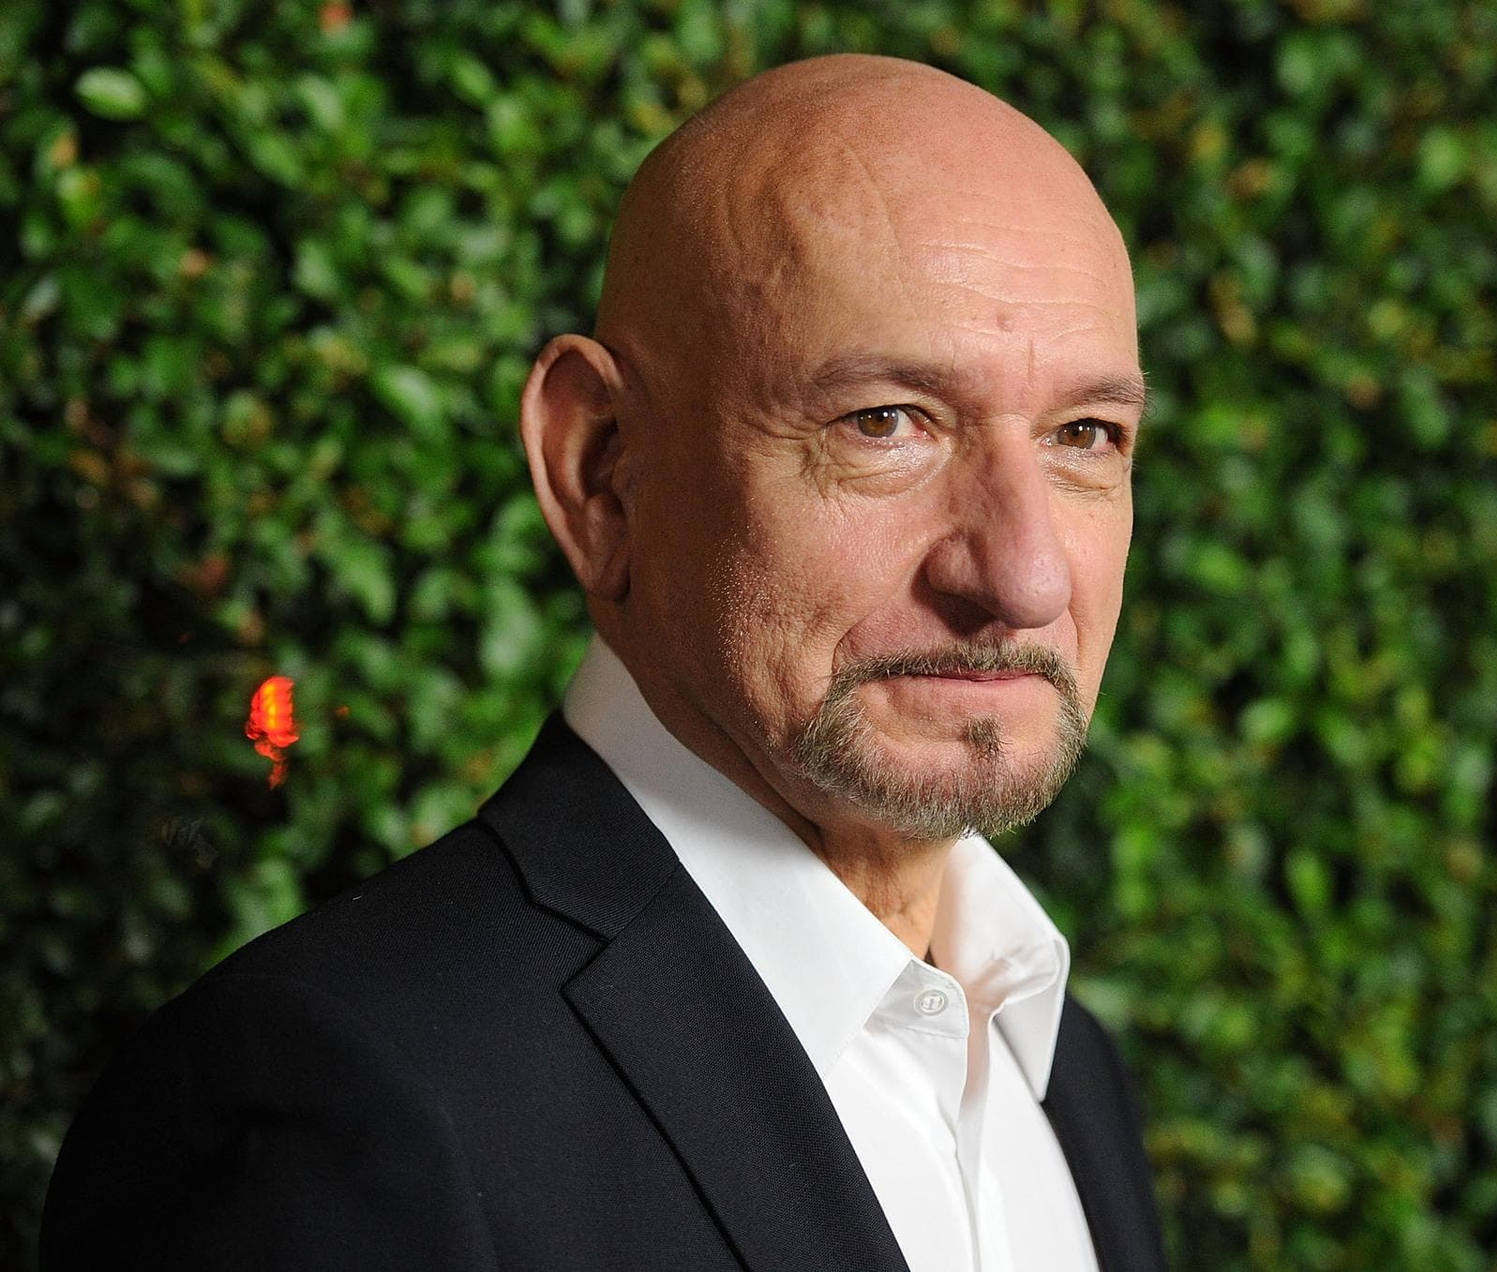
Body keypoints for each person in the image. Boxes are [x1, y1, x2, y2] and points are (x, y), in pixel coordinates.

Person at [41, 53, 1164, 1271]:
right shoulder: (337, 1103)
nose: (1026, 577)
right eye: (885, 423)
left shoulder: (1060, 1066)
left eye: (1084, 436)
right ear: (602, 469)